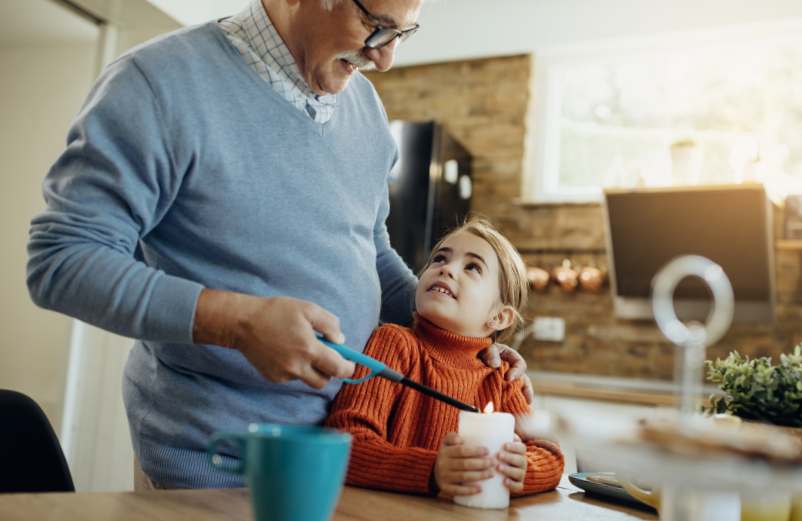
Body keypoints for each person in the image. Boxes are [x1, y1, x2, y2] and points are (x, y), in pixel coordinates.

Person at [26, 0, 533, 489]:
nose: (385, 57)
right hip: (215, 463)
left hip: (343, 460)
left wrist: (468, 345)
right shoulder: (158, 82)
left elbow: (370, 248)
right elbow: (63, 259)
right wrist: (240, 323)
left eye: (403, 32)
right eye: (375, 24)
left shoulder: (366, 110)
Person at [325, 218, 564, 497]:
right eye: (439, 258)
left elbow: (551, 455)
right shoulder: (393, 344)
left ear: (499, 316)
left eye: (472, 266)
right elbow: (345, 443)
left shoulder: (501, 378)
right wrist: (431, 470)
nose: (447, 269)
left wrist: (523, 470)